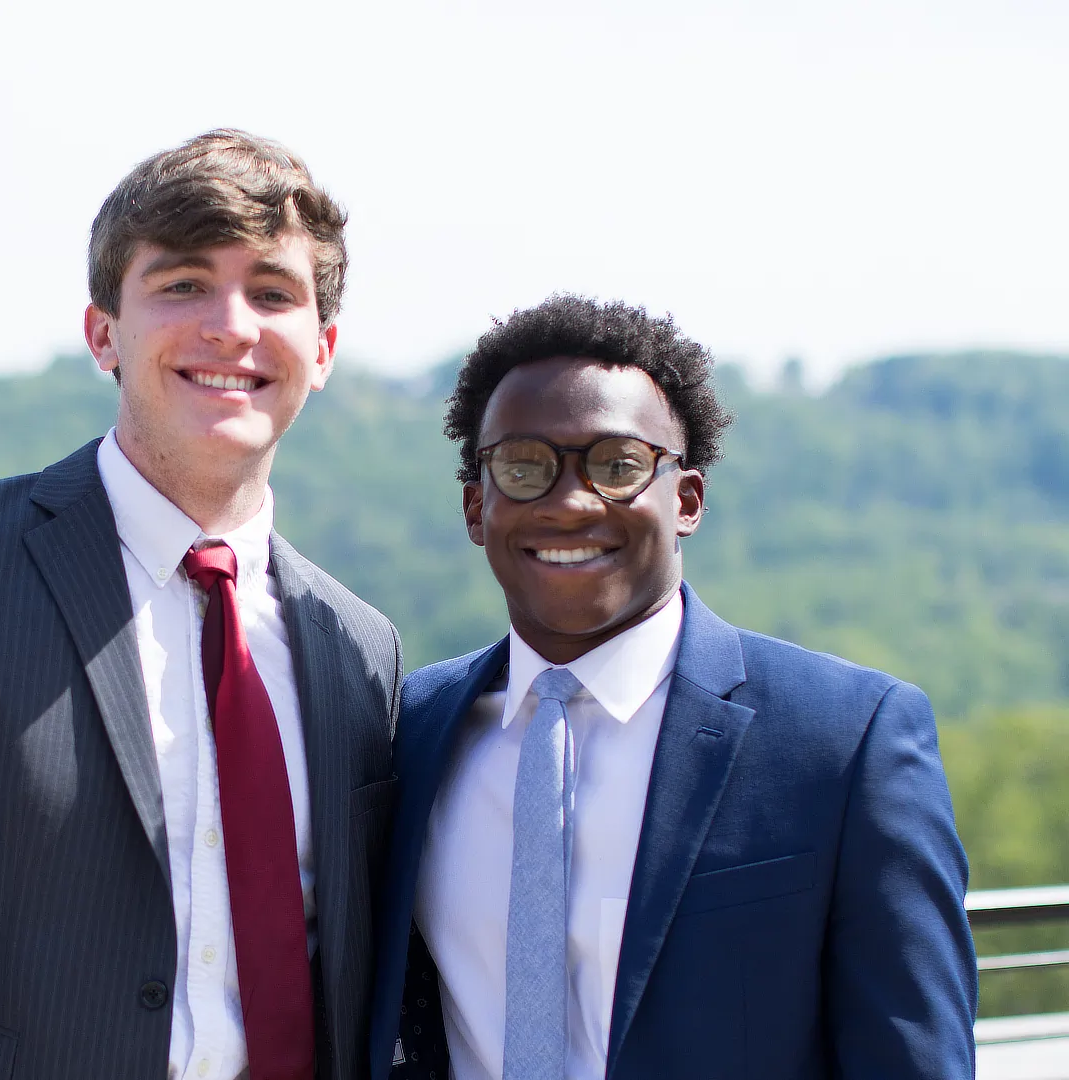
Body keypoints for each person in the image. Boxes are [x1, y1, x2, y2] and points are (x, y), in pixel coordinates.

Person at [0, 130, 403, 1080]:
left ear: (324, 348)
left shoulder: (361, 647)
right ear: (103, 332)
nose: (232, 324)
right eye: (182, 285)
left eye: (272, 293)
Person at [369, 296, 976, 1080]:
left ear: (686, 499)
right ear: (476, 507)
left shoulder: (847, 741)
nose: (570, 501)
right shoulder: (408, 730)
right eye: (524, 467)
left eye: (617, 466)